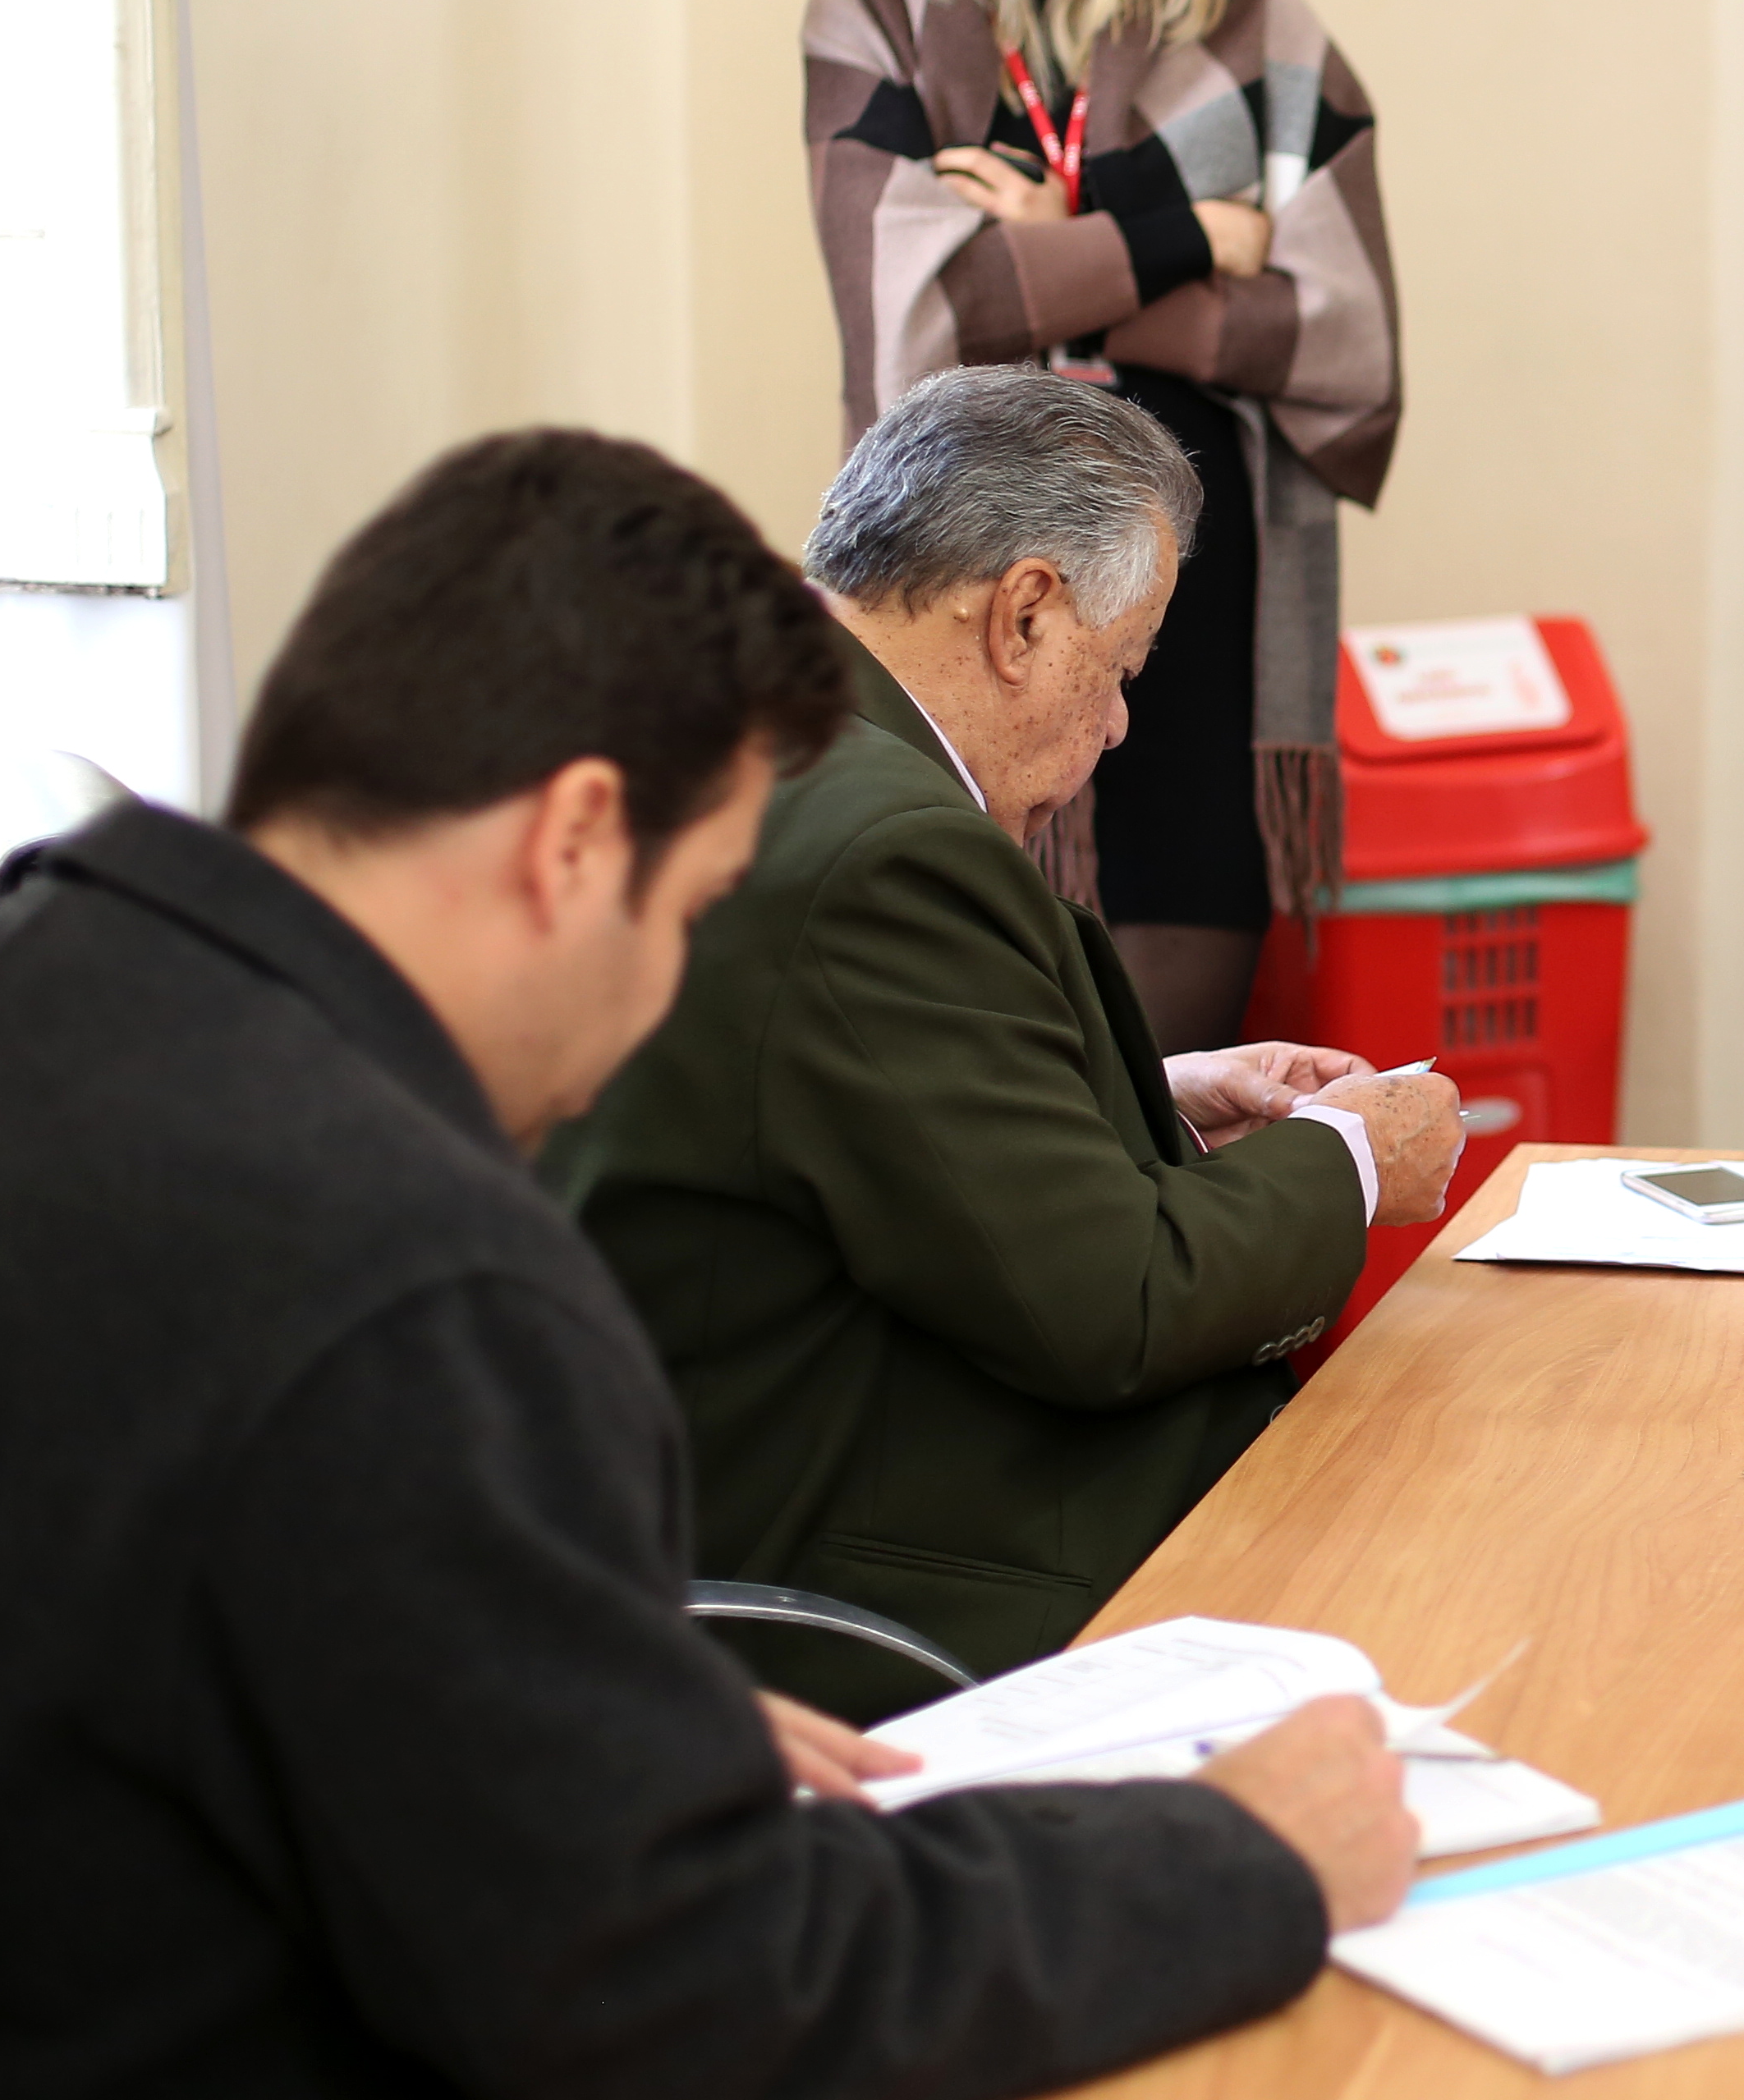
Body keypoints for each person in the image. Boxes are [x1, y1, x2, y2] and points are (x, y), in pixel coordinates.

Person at [0, 433, 1420, 2100]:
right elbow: (699, 1992)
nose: (657, 1004)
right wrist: (1236, 1855)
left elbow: (94, 1589)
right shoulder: (403, 1269)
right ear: (576, 839)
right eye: (685, 916)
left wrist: (575, 1685)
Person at [547, 370, 1463, 1712]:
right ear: (1026, 614)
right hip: (873, 1572)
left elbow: (811, 1105)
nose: (1119, 720)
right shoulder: (884, 845)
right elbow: (1118, 1308)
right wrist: (1357, 1156)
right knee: (1457, 1525)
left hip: (751, 1459)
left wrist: (1153, 1090)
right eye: (1123, 664)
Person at [804, 0, 1402, 1052]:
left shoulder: (1261, 30)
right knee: (991, 1077)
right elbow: (923, 322)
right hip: (957, 598)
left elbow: (1348, 349)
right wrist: (1189, 236)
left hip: (1197, 619)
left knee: (1175, 1103)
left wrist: (1046, 251)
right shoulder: (870, 18)